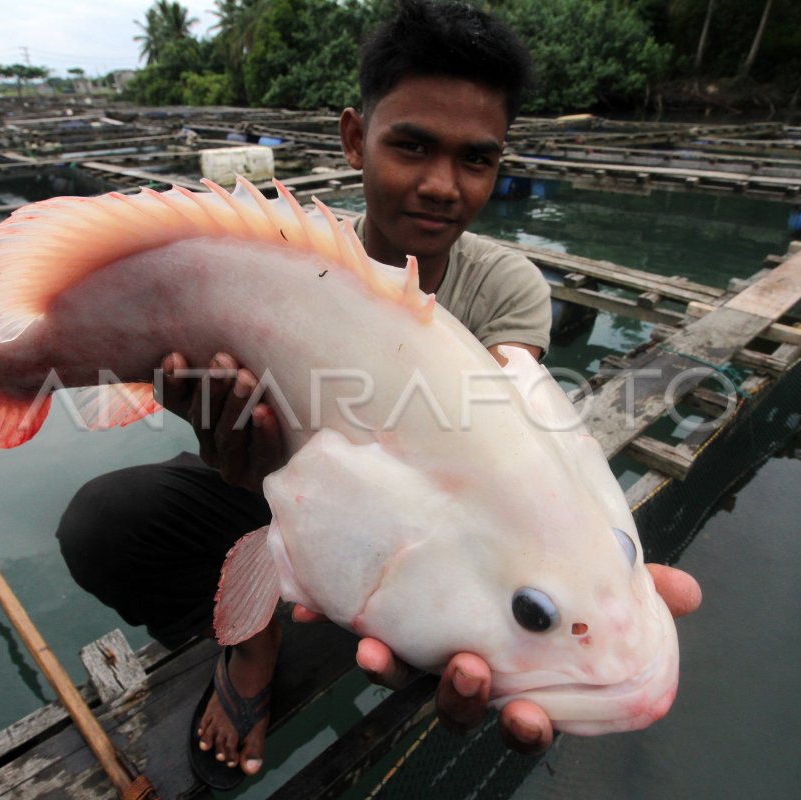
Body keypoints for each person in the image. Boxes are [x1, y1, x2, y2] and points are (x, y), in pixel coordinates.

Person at [56, 0, 701, 789]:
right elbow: (229, 424)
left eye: (476, 159)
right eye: (412, 146)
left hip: (404, 513)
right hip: (259, 478)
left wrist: (588, 572)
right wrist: (218, 431)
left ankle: (307, 611)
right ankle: (251, 641)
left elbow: (512, 458)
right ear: (355, 138)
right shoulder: (281, 261)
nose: (441, 185)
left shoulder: (506, 285)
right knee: (105, 520)